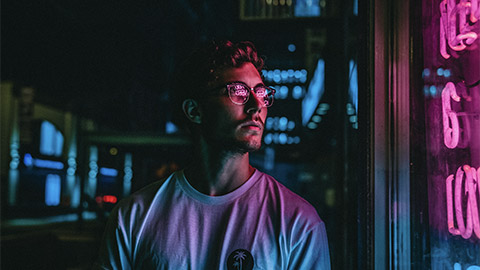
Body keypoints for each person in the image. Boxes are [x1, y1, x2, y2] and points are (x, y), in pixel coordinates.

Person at [94, 40, 331, 269]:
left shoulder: (297, 221)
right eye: (238, 91)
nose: (256, 105)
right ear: (195, 111)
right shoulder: (135, 216)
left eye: (260, 92)